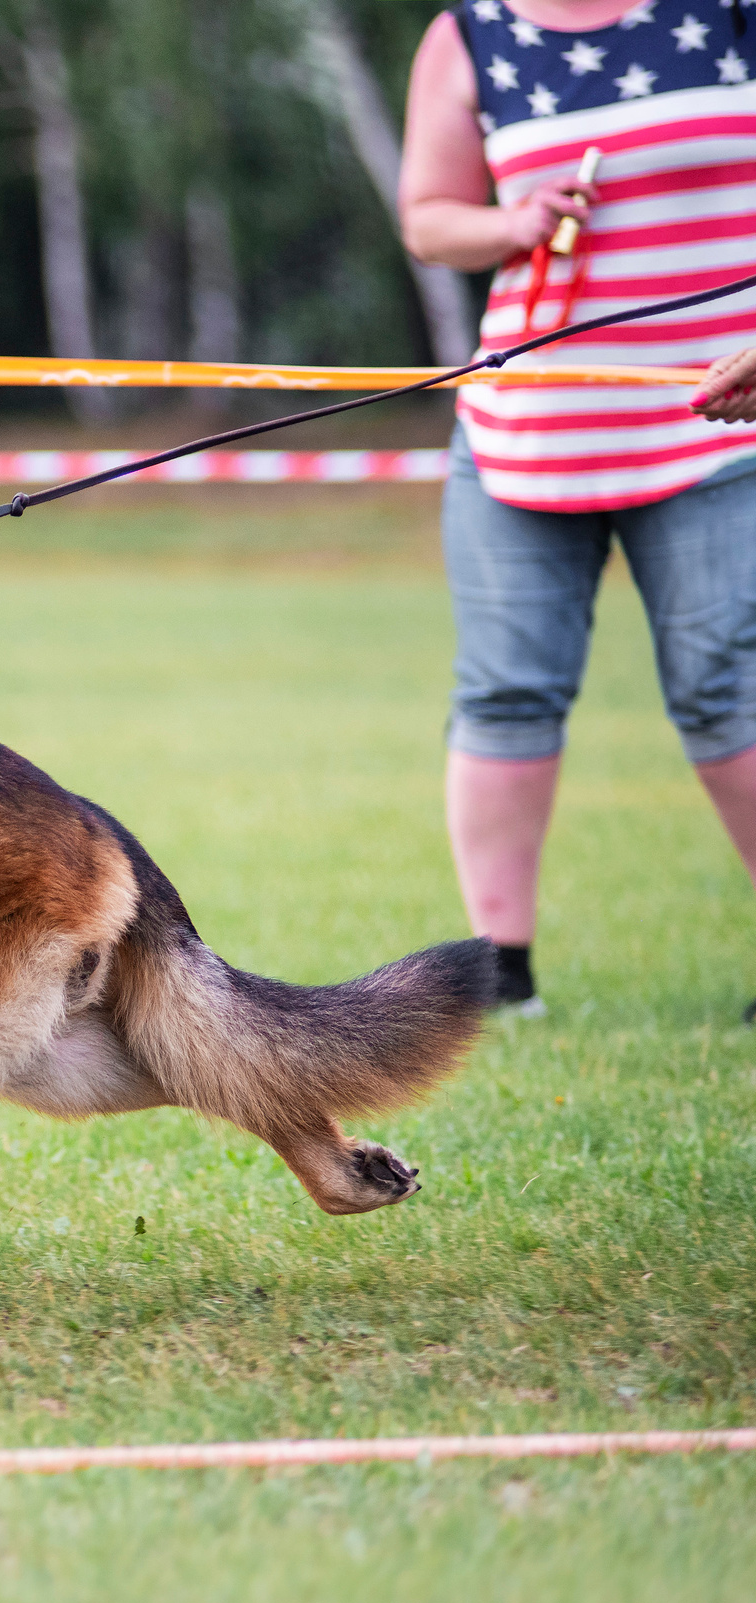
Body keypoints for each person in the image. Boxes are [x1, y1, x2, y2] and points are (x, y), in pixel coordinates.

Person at [397, 0, 756, 1016]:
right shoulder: (468, 37)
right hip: (527, 431)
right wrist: (508, 224)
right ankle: (499, 975)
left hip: (722, 422)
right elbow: (427, 218)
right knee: (505, 691)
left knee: (727, 688)